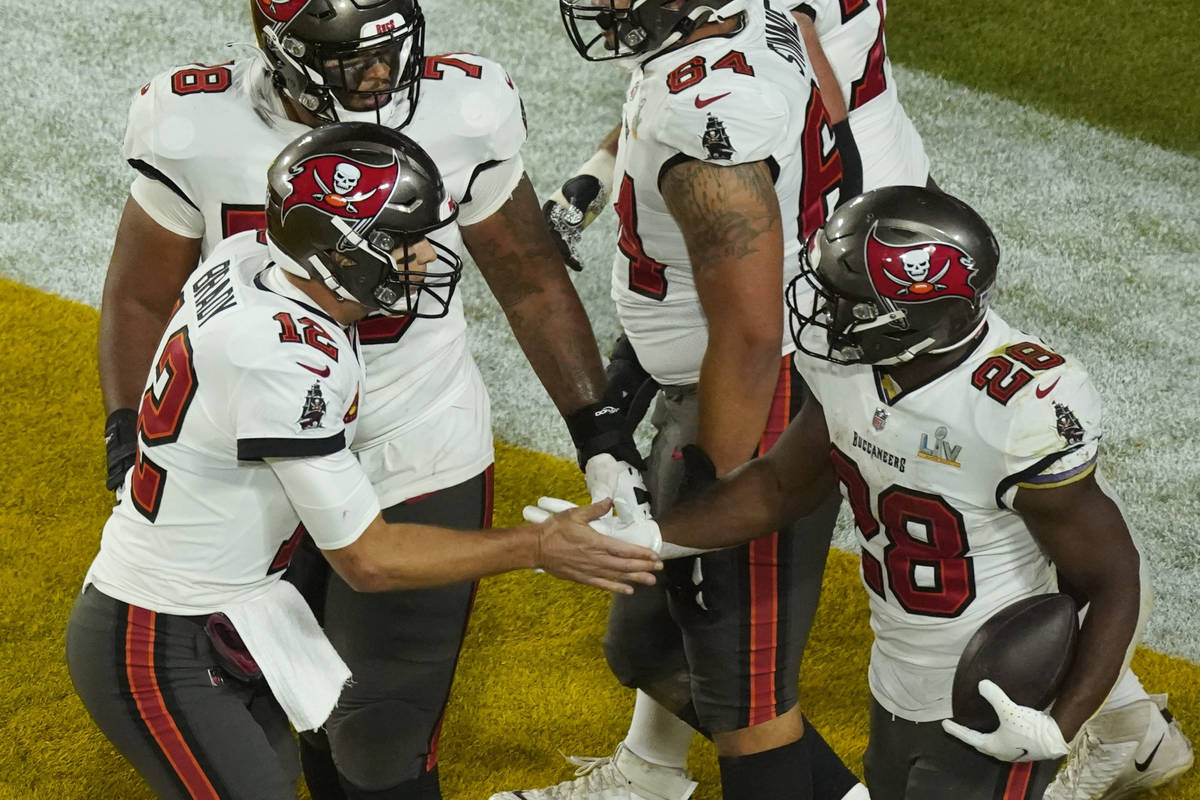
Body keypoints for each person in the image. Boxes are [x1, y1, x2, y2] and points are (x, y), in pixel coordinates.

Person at [95, 2, 645, 798]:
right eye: (355, 60)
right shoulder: (195, 126)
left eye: (394, 50)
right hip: (268, 460)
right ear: (284, 51)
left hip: (414, 435)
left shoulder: (461, 108)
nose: (385, 77)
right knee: (292, 701)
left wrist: (597, 430)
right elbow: (141, 297)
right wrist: (126, 436)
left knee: (378, 730)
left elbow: (529, 277)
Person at [533, 185, 1174, 799]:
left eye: (849, 300)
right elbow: (782, 483)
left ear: (913, 318)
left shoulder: (1017, 411)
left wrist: (1060, 722)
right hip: (896, 666)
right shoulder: (855, 368)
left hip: (993, 681)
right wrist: (652, 535)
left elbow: (1114, 579)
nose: (826, 310)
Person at [494, 1, 873, 798]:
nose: (602, 5)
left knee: (745, 702)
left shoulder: (707, 118)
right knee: (648, 649)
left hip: (750, 405)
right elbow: (843, 145)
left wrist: (713, 497)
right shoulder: (755, 18)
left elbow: (746, 330)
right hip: (719, 384)